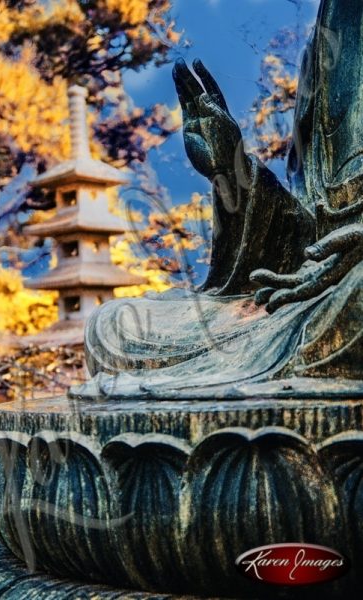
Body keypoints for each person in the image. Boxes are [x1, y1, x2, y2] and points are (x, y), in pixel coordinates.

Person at [79, 0, 363, 401]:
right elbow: (307, 237)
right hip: (304, 299)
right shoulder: (333, 30)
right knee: (114, 326)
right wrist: (234, 174)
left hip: (346, 293)